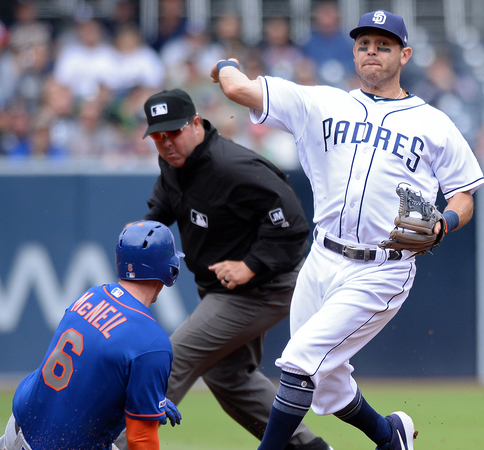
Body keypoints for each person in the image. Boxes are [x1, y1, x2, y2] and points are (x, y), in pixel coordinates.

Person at [210, 10, 484, 450]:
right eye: (363, 44)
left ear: (405, 54)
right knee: (325, 385)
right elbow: (238, 88)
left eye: (384, 45)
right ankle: (388, 435)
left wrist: (443, 221)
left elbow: (465, 196)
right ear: (354, 52)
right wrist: (225, 65)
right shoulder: (321, 104)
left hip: (381, 268)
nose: (371, 51)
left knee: (300, 363)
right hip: (321, 258)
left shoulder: (434, 124)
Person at [113, 89, 332, 450]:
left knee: (171, 359)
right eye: (157, 136)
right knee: (228, 376)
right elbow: (165, 205)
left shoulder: (232, 166)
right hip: (225, 288)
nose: (166, 142)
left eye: (173, 132)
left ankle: (111, 443)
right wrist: (144, 228)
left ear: (196, 124)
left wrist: (251, 265)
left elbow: (292, 222)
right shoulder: (174, 164)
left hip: (264, 287)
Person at [0, 221, 185, 450]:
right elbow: (141, 441)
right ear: (169, 269)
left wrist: (148, 398)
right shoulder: (152, 344)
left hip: (18, 427)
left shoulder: (91, 295)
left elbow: (90, 370)